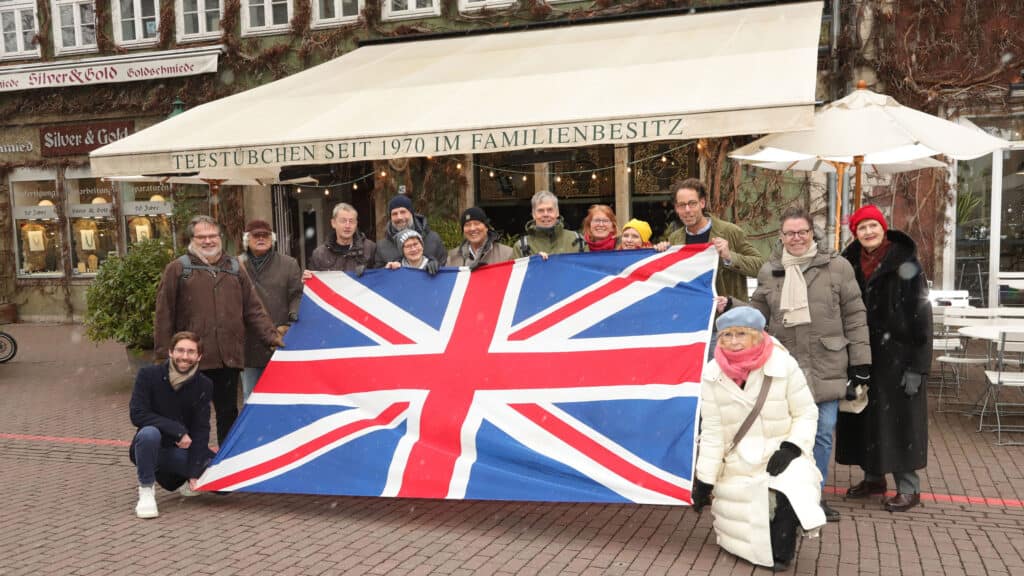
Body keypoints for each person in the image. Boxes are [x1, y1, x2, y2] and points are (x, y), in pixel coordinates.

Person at [750, 207, 871, 523]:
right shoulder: (769, 271)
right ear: (781, 236)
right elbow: (756, 317)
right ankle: (786, 492)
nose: (796, 238)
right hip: (786, 365)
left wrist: (861, 362)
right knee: (784, 434)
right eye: (789, 233)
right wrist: (728, 306)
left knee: (821, 434)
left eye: (802, 232)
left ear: (812, 233)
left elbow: (855, 315)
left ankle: (812, 495)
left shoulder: (837, 267)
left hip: (826, 363)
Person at [692, 307, 825, 571]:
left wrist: (791, 447)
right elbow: (713, 432)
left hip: (782, 451)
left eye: (741, 333)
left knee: (791, 493)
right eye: (726, 335)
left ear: (756, 334)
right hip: (738, 459)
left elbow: (806, 411)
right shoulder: (711, 373)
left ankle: (783, 548)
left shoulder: (783, 364)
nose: (733, 341)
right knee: (744, 521)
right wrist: (704, 479)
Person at [154, 215, 283, 446]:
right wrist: (164, 356)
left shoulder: (234, 267)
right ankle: (192, 463)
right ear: (192, 239)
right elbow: (164, 315)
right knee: (192, 416)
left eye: (212, 236)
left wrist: (273, 337)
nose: (208, 241)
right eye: (201, 237)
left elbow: (253, 308)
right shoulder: (178, 269)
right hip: (192, 360)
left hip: (228, 358)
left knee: (228, 414)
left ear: (219, 237)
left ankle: (226, 463)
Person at [836, 205, 932, 513]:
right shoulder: (847, 264)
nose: (868, 232)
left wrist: (918, 366)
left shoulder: (907, 264)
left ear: (883, 227)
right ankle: (874, 479)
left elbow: (922, 316)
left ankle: (909, 488)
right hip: (862, 355)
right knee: (866, 420)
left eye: (872, 226)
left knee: (899, 424)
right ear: (855, 233)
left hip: (898, 358)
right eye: (861, 228)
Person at [129, 331, 215, 519]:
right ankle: (146, 491)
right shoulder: (148, 375)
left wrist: (194, 471)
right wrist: (177, 431)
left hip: (180, 451)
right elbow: (138, 414)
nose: (185, 356)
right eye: (180, 350)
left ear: (198, 356)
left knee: (220, 481)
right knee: (149, 433)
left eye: (191, 352)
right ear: (170, 352)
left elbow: (201, 429)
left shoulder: (204, 385)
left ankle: (181, 479)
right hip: (149, 446)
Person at [667, 178, 764, 303]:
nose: (687, 210)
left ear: (702, 203)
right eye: (682, 205)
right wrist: (661, 252)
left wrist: (729, 257)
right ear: (676, 208)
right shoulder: (675, 239)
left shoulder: (730, 231)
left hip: (726, 315)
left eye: (692, 203)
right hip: (692, 312)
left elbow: (760, 267)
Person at [239, 220, 302, 401]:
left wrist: (292, 319)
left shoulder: (289, 264)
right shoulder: (235, 266)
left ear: (272, 239)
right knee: (251, 398)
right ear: (246, 240)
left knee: (284, 398)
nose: (261, 239)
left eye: (265, 235)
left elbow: (297, 295)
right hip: (249, 342)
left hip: (280, 339)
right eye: (255, 235)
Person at [373, 195, 446, 268]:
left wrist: (436, 266)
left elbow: (445, 269)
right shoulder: (381, 247)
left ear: (411, 213)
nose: (399, 217)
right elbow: (379, 275)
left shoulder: (433, 239)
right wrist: (387, 269)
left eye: (403, 212)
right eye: (394, 214)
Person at [305, 202, 377, 277]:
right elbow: (314, 285)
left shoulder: (370, 248)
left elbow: (379, 278)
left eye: (351, 221)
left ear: (356, 224)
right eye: (343, 221)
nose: (347, 226)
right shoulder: (319, 254)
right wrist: (307, 280)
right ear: (333, 223)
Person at [512, 191, 587, 258]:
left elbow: (587, 271)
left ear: (557, 212)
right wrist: (534, 263)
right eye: (540, 210)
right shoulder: (521, 247)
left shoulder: (578, 240)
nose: (545, 214)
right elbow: (515, 273)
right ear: (533, 214)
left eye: (550, 210)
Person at [447, 206, 514, 269]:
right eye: (467, 225)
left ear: (486, 227)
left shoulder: (507, 254)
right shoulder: (452, 257)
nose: (472, 228)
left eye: (477, 223)